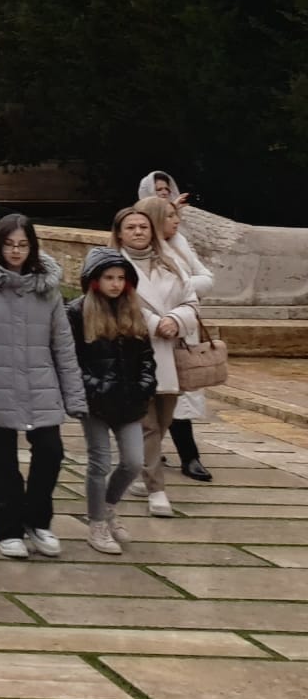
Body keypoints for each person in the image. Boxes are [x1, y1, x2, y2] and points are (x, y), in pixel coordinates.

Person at [0, 214, 85, 558]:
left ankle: (38, 521)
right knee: (3, 465)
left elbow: (63, 346)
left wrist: (74, 395)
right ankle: (8, 528)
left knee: (51, 452)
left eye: (23, 245)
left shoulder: (47, 291)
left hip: (41, 385)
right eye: (9, 244)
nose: (15, 251)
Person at [68, 245, 156, 554]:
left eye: (120, 278)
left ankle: (107, 507)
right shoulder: (77, 312)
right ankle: (96, 524)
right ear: (95, 280)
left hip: (129, 401)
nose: (116, 284)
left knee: (133, 462)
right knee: (100, 462)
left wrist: (144, 385)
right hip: (95, 401)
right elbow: (71, 359)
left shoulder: (133, 311)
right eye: (109, 277)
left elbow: (146, 357)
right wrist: (94, 386)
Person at [116, 199, 201, 518]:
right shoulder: (113, 264)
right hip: (134, 353)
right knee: (148, 424)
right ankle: (157, 489)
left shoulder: (171, 263)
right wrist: (154, 323)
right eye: (131, 227)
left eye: (143, 227)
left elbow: (191, 301)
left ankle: (140, 469)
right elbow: (114, 304)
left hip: (171, 354)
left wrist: (176, 320)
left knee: (164, 419)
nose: (138, 232)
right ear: (120, 233)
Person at [140, 171, 215, 482]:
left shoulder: (180, 242)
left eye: (167, 190)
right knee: (151, 397)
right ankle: (150, 453)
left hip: (182, 327)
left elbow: (206, 279)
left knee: (180, 394)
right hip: (152, 331)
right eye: (158, 191)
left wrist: (180, 286)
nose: (175, 219)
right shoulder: (139, 243)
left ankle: (189, 456)